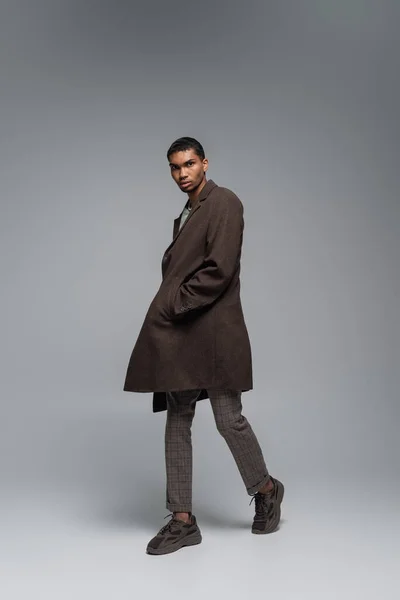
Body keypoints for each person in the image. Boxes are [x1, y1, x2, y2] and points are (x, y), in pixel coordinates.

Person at [123, 136, 284, 555]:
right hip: (185, 332)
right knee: (178, 416)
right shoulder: (188, 210)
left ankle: (266, 489)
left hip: (213, 331)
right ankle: (182, 520)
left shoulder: (224, 202)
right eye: (175, 167)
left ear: (205, 163)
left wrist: (175, 303)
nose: (182, 174)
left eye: (189, 164)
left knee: (227, 419)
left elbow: (220, 269)